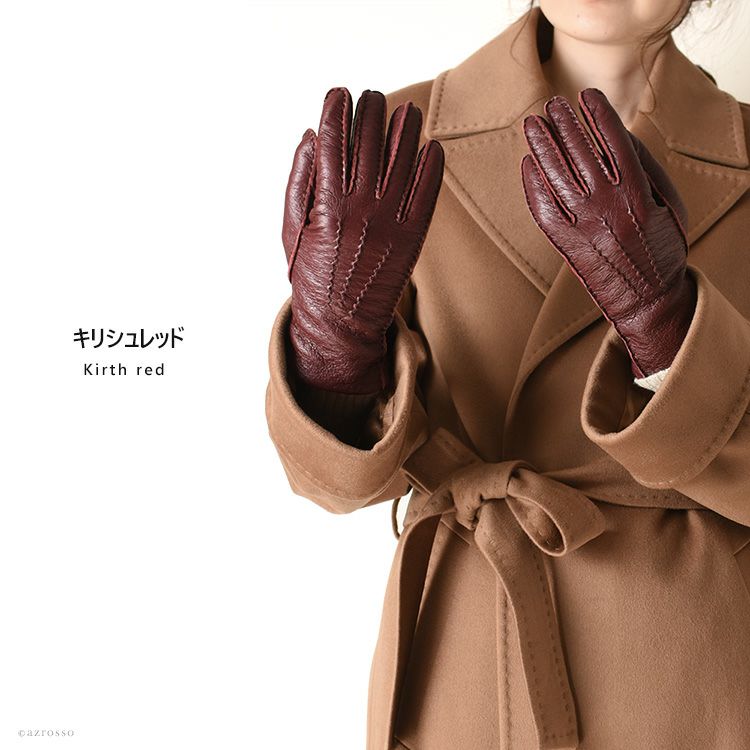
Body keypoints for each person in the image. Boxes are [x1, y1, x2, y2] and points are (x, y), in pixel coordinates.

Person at [265, 1, 750, 748]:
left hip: (682, 673)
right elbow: (331, 483)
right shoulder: (401, 142)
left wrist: (667, 326)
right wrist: (333, 346)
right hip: (462, 657)